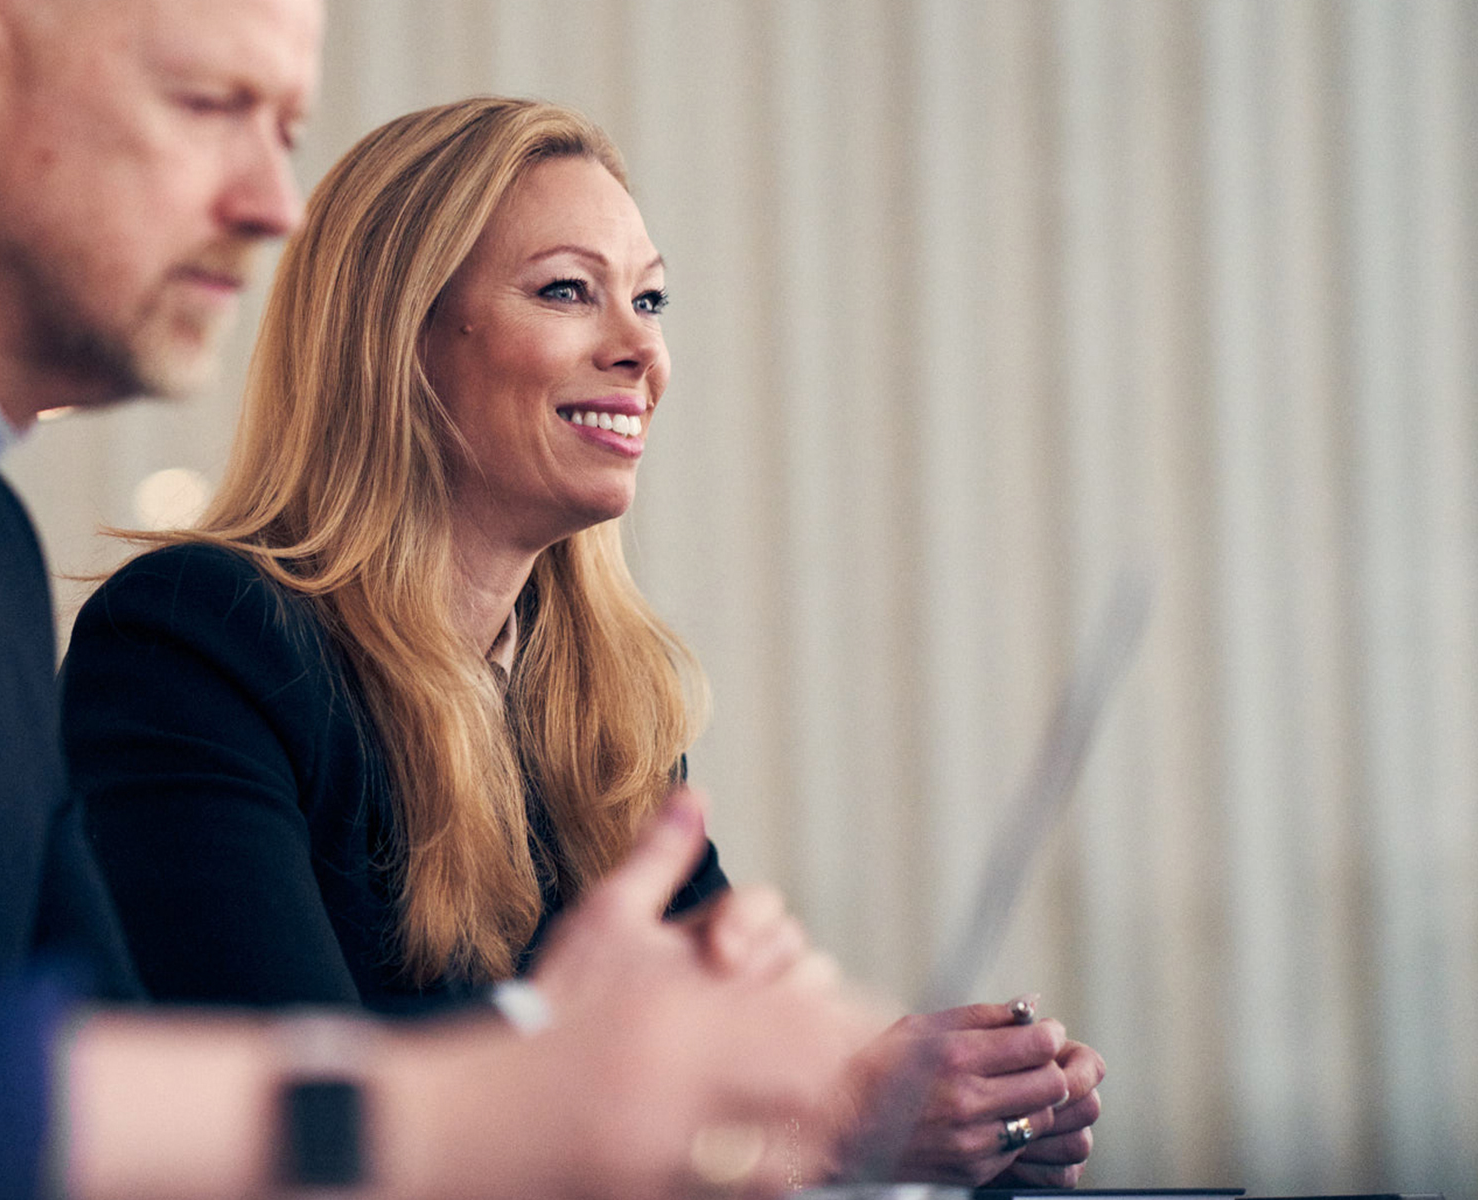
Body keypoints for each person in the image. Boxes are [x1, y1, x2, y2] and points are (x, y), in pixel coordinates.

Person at [0, 0, 881, 1194]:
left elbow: (86, 1057)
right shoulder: (186, 628)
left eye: (285, 129)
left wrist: (829, 1088)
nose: (272, 208)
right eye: (211, 106)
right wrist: (486, 1086)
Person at [61, 95, 1103, 1187]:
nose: (640, 347)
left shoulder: (600, 711)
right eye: (569, 290)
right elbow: (299, 1130)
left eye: (650, 298)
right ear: (400, 338)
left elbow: (717, 1073)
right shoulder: (195, 642)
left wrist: (921, 1100)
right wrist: (807, 1126)